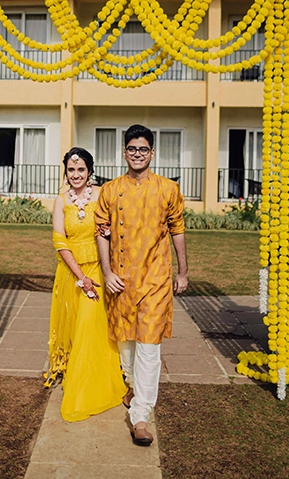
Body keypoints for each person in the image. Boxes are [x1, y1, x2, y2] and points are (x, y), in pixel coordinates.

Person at [94, 124, 188, 447]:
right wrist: (107, 273)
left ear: (152, 153)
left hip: (156, 278)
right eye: (132, 149)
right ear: (124, 152)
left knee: (149, 345)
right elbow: (102, 233)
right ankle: (133, 385)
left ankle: (141, 415)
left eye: (143, 149)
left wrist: (183, 271)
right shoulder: (110, 190)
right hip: (121, 280)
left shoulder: (168, 189)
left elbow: (177, 230)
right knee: (125, 342)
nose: (137, 154)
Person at [45, 147, 128, 422]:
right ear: (66, 172)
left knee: (92, 327)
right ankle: (80, 379)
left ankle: (92, 386)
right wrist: (81, 277)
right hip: (73, 274)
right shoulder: (60, 200)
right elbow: (59, 241)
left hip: (100, 270)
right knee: (78, 327)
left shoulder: (102, 194)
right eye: (71, 169)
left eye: (81, 169)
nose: (76, 174)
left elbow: (113, 230)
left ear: (90, 171)